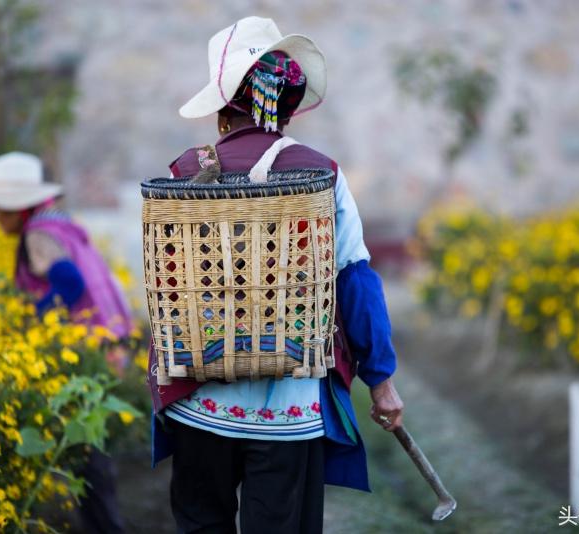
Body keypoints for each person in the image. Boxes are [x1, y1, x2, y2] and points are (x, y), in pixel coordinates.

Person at [147, 16, 405, 533]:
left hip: (199, 400)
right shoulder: (320, 172)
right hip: (285, 409)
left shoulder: (181, 172)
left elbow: (164, 290)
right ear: (282, 103)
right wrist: (381, 382)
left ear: (223, 105)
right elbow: (355, 283)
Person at [0, 151, 133, 534]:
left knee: (86, 455)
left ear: (19, 208)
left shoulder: (38, 234)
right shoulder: (59, 224)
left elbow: (70, 283)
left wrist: (32, 326)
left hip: (86, 349)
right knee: (89, 450)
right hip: (108, 341)